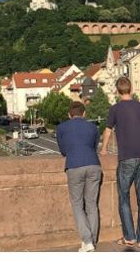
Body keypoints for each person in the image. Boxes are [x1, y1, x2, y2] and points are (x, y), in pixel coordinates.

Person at [100, 77, 140, 248]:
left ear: (117, 90)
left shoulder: (115, 109)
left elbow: (108, 130)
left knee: (124, 197)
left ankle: (130, 236)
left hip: (127, 156)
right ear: (131, 89)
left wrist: (104, 149)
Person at [56, 100, 102, 252]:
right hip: (94, 165)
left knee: (77, 204)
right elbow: (94, 147)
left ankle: (87, 241)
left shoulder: (61, 128)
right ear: (84, 114)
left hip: (74, 165)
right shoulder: (93, 127)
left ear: (69, 115)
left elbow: (63, 151)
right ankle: (91, 242)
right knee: (91, 204)